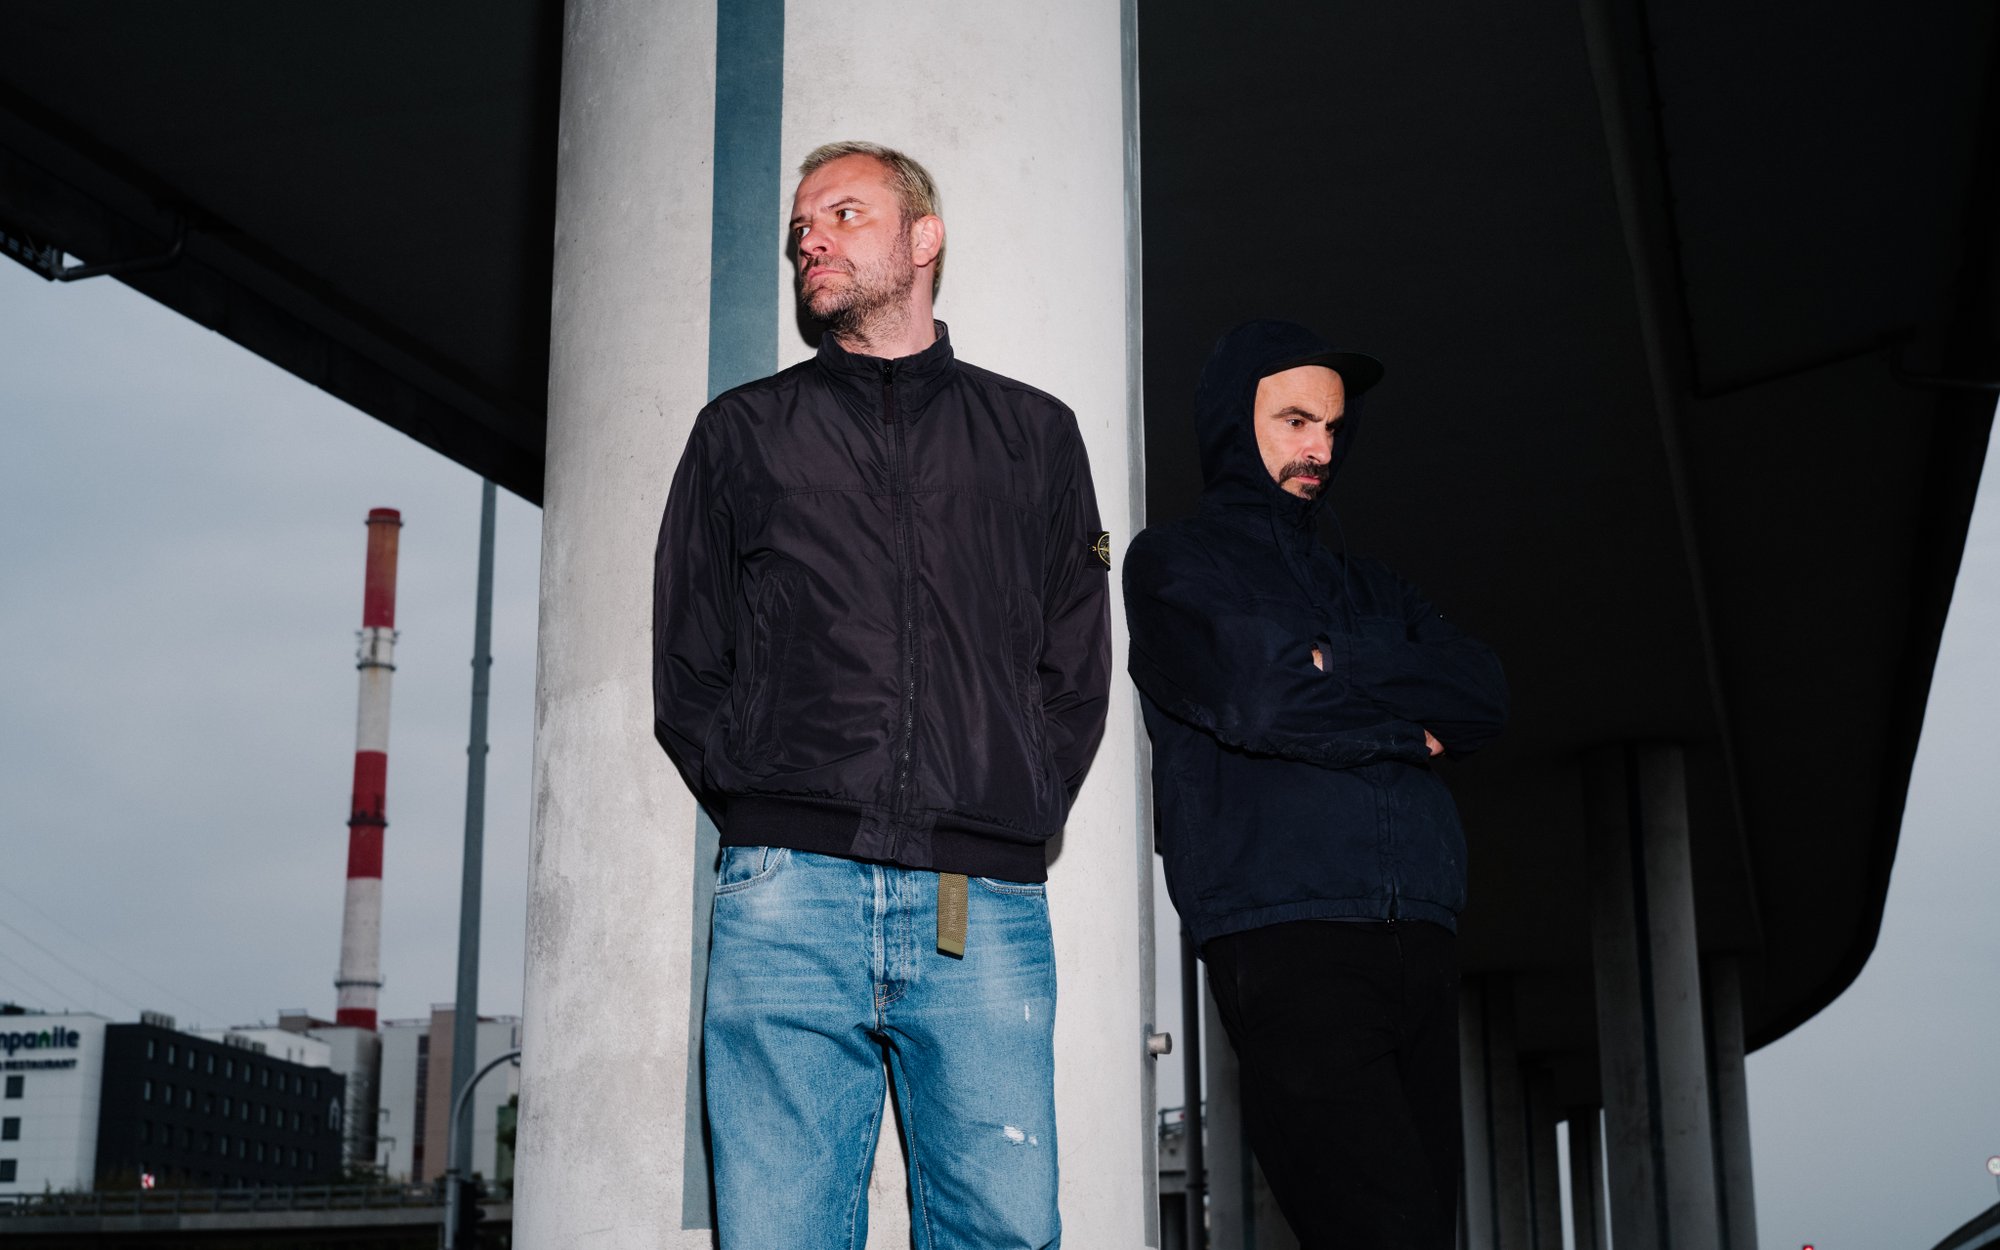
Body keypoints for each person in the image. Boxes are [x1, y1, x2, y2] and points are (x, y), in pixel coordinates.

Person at [653, 140, 1110, 1250]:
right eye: (801, 227)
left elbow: (1075, 654)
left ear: (922, 238)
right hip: (786, 895)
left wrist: (1013, 797)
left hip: (978, 896)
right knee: (777, 1233)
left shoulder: (1034, 434)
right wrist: (763, 799)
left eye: (844, 214)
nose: (810, 239)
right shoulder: (740, 432)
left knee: (1004, 1231)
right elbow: (687, 658)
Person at [1123, 319, 1508, 1249]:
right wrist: (1404, 731)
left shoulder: (1374, 587)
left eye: (1332, 427)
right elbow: (1260, 700)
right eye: (1296, 421)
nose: (1321, 450)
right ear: (1234, 421)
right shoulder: (1176, 563)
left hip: (1420, 935)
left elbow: (1482, 694)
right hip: (1287, 933)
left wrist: (1341, 662)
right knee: (1382, 1231)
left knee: (1426, 1230)